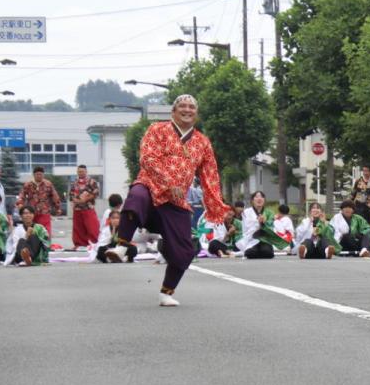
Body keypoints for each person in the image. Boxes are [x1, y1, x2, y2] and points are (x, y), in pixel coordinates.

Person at [103, 94, 231, 306]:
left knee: (185, 250)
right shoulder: (157, 129)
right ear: (173, 111)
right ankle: (122, 246)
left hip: (176, 200)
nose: (187, 110)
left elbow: (210, 175)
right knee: (136, 196)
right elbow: (147, 158)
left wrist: (216, 205)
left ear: (196, 114)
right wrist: (168, 181)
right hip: (151, 187)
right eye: (182, 106)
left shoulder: (202, 142)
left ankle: (166, 292)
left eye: (192, 107)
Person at [236, 191, 286, 259]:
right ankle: (256, 251)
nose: (259, 199)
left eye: (261, 197)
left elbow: (271, 227)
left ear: (264, 200)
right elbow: (247, 227)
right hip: (252, 238)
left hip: (265, 239)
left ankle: (260, 251)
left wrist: (264, 223)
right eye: (256, 197)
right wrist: (258, 223)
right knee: (250, 253)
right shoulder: (246, 212)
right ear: (252, 200)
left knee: (268, 253)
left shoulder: (269, 212)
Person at [16, 165, 61, 238]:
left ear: (43, 175)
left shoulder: (48, 184)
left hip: (45, 212)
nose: (39, 176)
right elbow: (22, 195)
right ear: (34, 175)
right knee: (33, 231)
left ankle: (46, 247)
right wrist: (20, 203)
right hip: (32, 213)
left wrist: (57, 207)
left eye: (41, 174)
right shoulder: (28, 184)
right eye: (37, 174)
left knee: (45, 231)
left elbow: (55, 196)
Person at [68, 164, 101, 249]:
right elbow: (71, 195)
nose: (81, 173)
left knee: (92, 227)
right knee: (78, 228)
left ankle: (94, 243)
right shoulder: (74, 182)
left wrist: (86, 199)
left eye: (82, 171)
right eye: (79, 171)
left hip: (88, 208)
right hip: (77, 209)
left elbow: (96, 193)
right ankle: (79, 244)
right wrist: (76, 200)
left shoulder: (91, 181)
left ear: (86, 172)